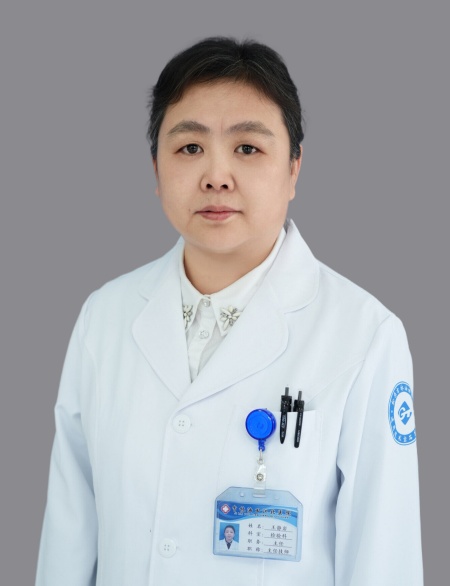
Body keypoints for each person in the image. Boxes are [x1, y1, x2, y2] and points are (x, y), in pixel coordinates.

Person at [36, 37, 423, 585]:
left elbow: (384, 558)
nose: (216, 175)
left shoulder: (364, 336)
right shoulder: (104, 319)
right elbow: (68, 538)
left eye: (247, 148)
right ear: (156, 168)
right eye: (190, 147)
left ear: (294, 168)